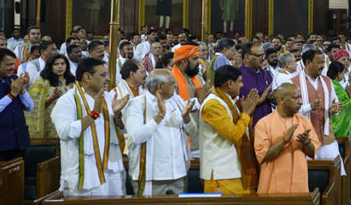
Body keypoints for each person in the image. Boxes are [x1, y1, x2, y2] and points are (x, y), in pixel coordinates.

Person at [51, 57, 129, 196]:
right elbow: (64, 132)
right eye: (103, 75)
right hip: (84, 172)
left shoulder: (108, 97)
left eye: (108, 74)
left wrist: (117, 115)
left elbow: (123, 129)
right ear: (87, 77)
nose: (107, 79)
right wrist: (93, 114)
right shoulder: (67, 100)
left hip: (111, 169)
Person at [123, 68, 197, 196]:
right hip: (151, 178)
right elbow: (136, 137)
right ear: (160, 86)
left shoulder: (177, 101)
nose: (175, 85)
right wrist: (159, 116)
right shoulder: (137, 104)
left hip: (179, 175)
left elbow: (193, 131)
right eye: (172, 83)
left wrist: (186, 118)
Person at [199, 65, 260, 195]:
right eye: (240, 81)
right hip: (221, 173)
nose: (242, 85)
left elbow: (242, 129)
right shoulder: (213, 104)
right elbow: (233, 134)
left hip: (233, 170)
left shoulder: (228, 101)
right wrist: (246, 114)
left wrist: (246, 112)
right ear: (230, 83)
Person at [254, 83, 318, 194]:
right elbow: (262, 156)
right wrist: (284, 141)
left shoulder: (304, 121)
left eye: (300, 98)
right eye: (295, 98)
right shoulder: (263, 124)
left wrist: (306, 142)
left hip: (299, 187)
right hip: (272, 189)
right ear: (282, 99)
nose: (300, 102)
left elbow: (312, 152)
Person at [290, 49, 344, 171]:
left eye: (323, 63)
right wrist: (309, 107)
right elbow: (289, 111)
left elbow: (334, 103)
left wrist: (335, 109)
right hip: (304, 139)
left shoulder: (327, 81)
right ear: (308, 62)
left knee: (337, 170)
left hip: (326, 137)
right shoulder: (293, 83)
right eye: (319, 63)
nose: (323, 66)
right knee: (306, 174)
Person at [327, 61, 351, 195]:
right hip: (338, 130)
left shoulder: (327, 83)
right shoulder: (336, 87)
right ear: (339, 74)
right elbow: (345, 107)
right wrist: (350, 97)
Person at [26, 54, 74, 138]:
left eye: (62, 64)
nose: (60, 67)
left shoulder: (72, 82)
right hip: (49, 124)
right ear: (50, 66)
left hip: (69, 120)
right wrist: (51, 99)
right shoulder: (41, 82)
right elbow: (33, 106)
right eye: (56, 64)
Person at [239, 43, 274, 125]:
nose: (262, 59)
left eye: (263, 55)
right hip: (248, 124)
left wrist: (274, 98)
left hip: (267, 122)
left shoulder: (266, 74)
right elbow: (239, 104)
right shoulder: (237, 75)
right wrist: (261, 99)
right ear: (247, 57)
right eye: (259, 56)